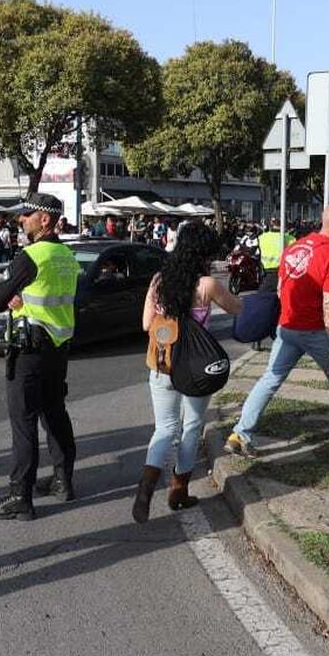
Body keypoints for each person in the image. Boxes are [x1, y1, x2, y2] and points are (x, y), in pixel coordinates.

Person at [135, 222, 243, 522]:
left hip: (162, 362)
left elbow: (146, 324)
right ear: (203, 254)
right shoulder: (206, 285)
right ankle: (179, 491)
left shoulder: (159, 281)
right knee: (192, 426)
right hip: (196, 367)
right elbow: (237, 308)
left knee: (165, 428)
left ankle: (144, 491)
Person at [226, 204, 329, 458]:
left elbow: (282, 288)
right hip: (314, 330)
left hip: (287, 327)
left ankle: (240, 434)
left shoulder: (294, 248)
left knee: (269, 380)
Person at [0, 193, 77, 520]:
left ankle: (20, 494)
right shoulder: (65, 254)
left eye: (27, 215)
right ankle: (63, 481)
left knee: (23, 422)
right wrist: (21, 298)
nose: (21, 220)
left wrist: (11, 296)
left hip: (30, 349)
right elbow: (51, 295)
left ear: (45, 220)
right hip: (58, 347)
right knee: (54, 414)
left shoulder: (31, 256)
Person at [257, 219, 294, 291]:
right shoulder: (290, 239)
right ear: (284, 226)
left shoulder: (262, 237)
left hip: (267, 273)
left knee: (265, 298)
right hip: (283, 273)